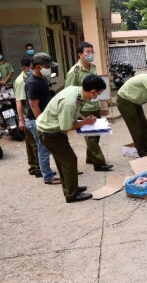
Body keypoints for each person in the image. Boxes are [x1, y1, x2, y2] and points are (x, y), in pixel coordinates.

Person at [36, 74, 107, 203]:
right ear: (93, 92)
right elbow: (66, 126)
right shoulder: (70, 102)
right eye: (99, 93)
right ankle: (72, 194)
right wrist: (85, 122)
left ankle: (71, 187)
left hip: (51, 130)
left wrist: (82, 119)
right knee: (69, 160)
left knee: (63, 161)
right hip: (50, 133)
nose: (98, 96)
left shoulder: (77, 91)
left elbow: (73, 113)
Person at [65, 41, 113, 172]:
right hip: (84, 108)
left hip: (94, 104)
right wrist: (75, 110)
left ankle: (90, 157)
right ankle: (99, 162)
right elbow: (69, 91)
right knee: (91, 136)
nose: (90, 54)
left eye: (92, 52)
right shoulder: (74, 71)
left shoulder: (93, 67)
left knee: (96, 133)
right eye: (87, 52)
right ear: (80, 54)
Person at [25, 52, 61, 185]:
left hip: (43, 118)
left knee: (48, 146)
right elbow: (34, 106)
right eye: (47, 66)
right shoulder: (32, 83)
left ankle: (51, 171)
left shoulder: (41, 79)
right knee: (43, 149)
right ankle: (48, 176)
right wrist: (42, 123)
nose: (49, 68)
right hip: (36, 120)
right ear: (39, 66)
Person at [13, 57, 41, 177]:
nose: (33, 69)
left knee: (30, 142)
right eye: (31, 67)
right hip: (28, 116)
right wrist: (21, 120)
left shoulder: (28, 78)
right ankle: (38, 168)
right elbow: (19, 102)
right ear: (25, 68)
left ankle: (33, 167)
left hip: (28, 116)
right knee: (35, 143)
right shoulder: (21, 81)